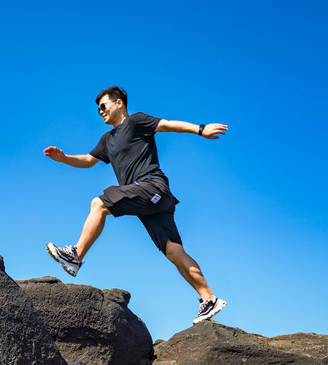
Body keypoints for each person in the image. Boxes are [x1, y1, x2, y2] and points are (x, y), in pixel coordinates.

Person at [43, 86, 228, 325]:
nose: (100, 111)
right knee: (173, 251)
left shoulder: (136, 121)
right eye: (97, 109)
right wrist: (64, 158)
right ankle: (209, 299)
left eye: (103, 106)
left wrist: (200, 129)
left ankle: (76, 255)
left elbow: (169, 124)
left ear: (119, 103)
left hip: (153, 187)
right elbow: (88, 160)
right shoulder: (107, 140)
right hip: (150, 202)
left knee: (99, 204)